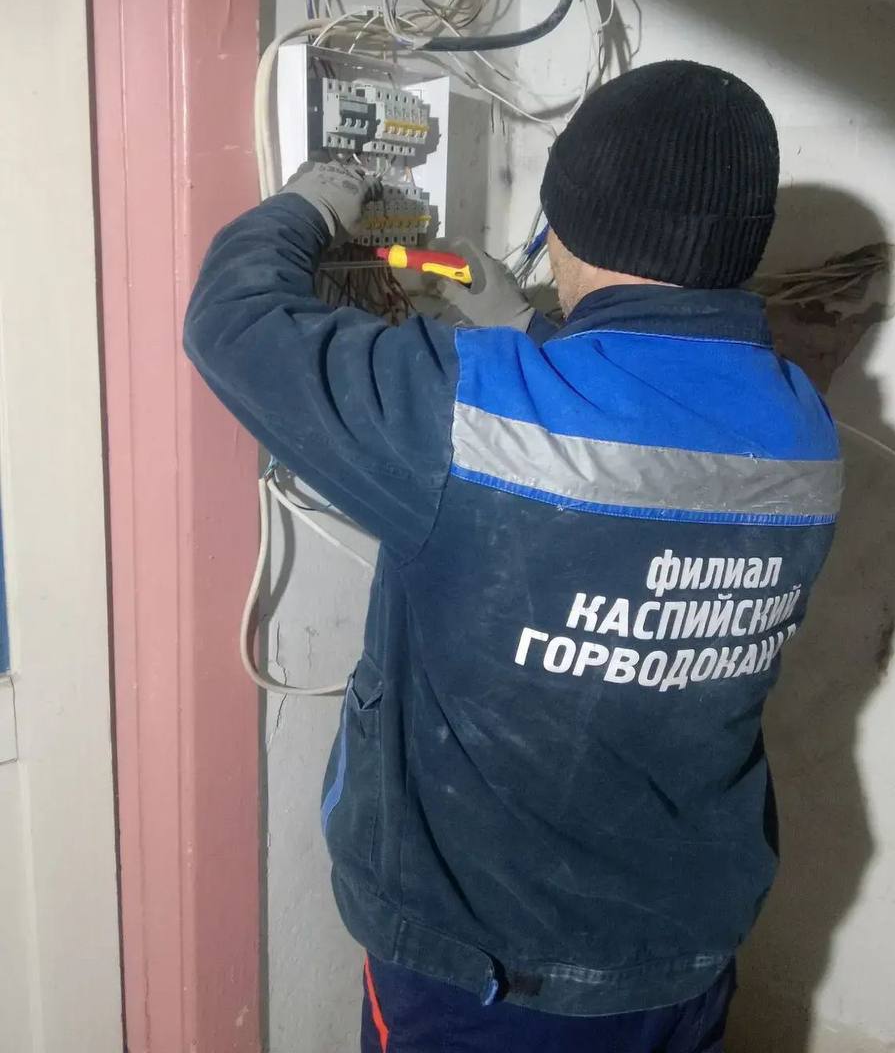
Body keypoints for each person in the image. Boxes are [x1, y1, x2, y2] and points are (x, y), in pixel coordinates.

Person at [185, 60, 842, 1053]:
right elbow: (641, 450)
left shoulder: (468, 408)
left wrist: (309, 203)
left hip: (488, 971)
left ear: (565, 219)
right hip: (683, 950)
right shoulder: (803, 429)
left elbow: (232, 323)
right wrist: (526, 328)